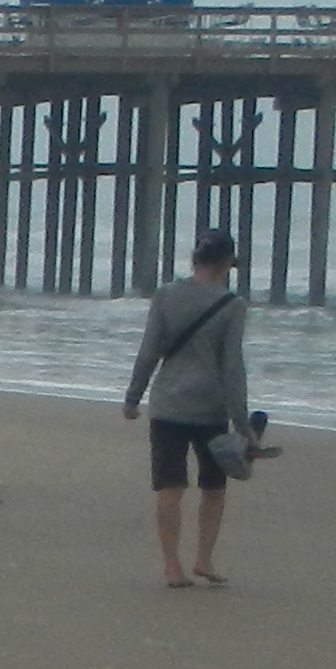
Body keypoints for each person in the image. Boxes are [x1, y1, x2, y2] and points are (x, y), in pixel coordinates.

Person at [124, 228, 254, 590]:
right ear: (226, 263)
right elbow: (232, 367)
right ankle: (204, 559)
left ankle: (172, 567)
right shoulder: (233, 305)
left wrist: (133, 397)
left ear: (195, 259)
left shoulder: (166, 295)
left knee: (170, 487)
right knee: (214, 487)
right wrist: (242, 423)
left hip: (167, 405)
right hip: (211, 410)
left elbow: (149, 349)